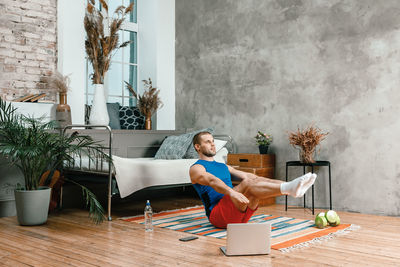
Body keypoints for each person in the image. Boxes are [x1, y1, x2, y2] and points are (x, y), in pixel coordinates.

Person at [189, 131, 317, 229]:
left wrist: (284, 183)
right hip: (219, 216)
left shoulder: (223, 166)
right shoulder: (196, 168)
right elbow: (212, 180)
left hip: (241, 214)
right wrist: (232, 192)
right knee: (248, 183)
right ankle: (289, 188)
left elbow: (251, 178)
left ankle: (289, 188)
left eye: (212, 141)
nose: (212, 144)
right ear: (197, 147)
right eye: (207, 142)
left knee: (253, 178)